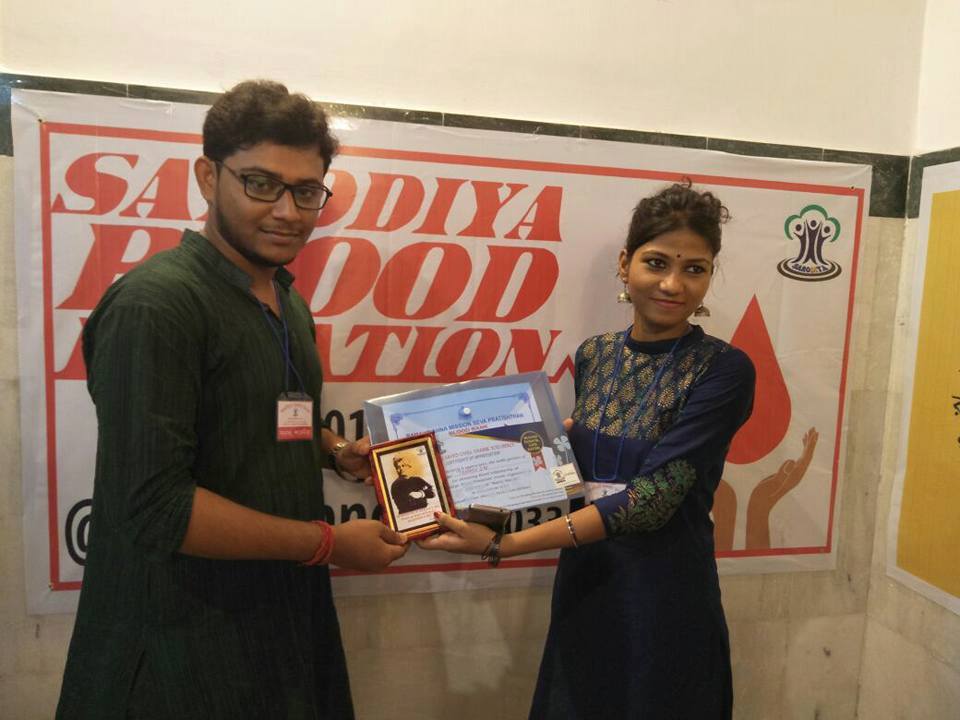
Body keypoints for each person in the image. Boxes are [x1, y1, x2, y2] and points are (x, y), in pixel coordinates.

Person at [56, 80, 408, 719]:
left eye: (307, 191)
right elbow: (156, 507)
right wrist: (329, 544)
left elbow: (265, 418)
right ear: (207, 176)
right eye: (261, 184)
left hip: (278, 629)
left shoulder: (285, 300)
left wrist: (334, 451)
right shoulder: (156, 305)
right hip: (179, 649)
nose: (288, 211)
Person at [420, 180, 755, 719]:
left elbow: (651, 500)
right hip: (586, 579)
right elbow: (564, 469)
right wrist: (431, 455)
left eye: (695, 269)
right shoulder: (595, 354)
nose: (673, 284)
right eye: (656, 262)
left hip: (664, 591)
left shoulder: (724, 369)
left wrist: (503, 545)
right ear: (625, 264)